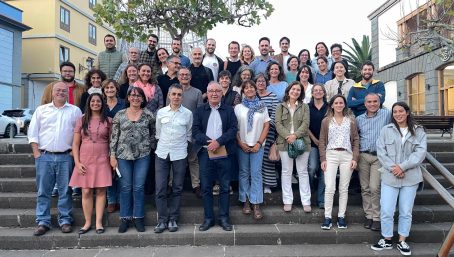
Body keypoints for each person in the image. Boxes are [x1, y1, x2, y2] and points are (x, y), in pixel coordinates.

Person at [371, 102, 426, 256]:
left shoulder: (418, 131)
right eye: (395, 112)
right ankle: (387, 239)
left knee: (405, 211)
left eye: (401, 111)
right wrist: (394, 168)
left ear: (407, 112)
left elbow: (420, 153)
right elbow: (381, 152)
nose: (398, 114)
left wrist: (402, 167)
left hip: (410, 177)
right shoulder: (386, 130)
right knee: (387, 209)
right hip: (390, 176)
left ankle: (402, 240)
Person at [28, 82, 83, 236]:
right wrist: (36, 153)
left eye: (64, 91)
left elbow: (78, 134)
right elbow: (33, 133)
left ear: (68, 93)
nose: (61, 93)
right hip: (44, 156)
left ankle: (65, 220)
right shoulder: (41, 110)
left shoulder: (75, 111)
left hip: (66, 156)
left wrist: (73, 152)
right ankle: (42, 221)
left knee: (66, 191)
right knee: (43, 191)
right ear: (52, 92)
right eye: (58, 90)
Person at [110, 86, 156, 233]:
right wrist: (112, 155)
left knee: (138, 187)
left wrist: (150, 147)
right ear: (128, 97)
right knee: (125, 187)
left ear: (143, 99)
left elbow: (154, 134)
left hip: (143, 156)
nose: (135, 98)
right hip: (123, 156)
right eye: (133, 95)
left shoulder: (148, 115)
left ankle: (138, 217)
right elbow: (114, 137)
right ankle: (125, 217)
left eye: (138, 96)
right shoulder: (120, 115)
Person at [193, 82, 238, 232]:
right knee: (206, 187)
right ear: (207, 93)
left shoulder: (229, 110)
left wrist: (218, 142)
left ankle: (224, 218)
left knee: (225, 187)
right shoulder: (200, 111)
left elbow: (233, 129)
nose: (214, 94)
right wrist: (209, 143)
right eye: (211, 91)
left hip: (224, 152)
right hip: (206, 153)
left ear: (221, 94)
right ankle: (208, 219)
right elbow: (195, 131)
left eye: (217, 91)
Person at [69, 93, 112, 234]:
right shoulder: (81, 120)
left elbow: (112, 142)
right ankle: (87, 222)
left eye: (98, 101)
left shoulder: (109, 121)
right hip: (85, 160)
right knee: (86, 191)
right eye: (92, 101)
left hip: (102, 158)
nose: (95, 103)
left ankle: (99, 222)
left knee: (101, 190)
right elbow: (75, 144)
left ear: (102, 103)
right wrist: (77, 162)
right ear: (88, 103)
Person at [154, 84, 193, 233]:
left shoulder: (188, 114)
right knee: (160, 188)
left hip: (180, 154)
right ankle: (162, 220)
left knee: (177, 188)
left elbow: (189, 134)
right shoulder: (161, 112)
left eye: (179, 94)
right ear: (169, 95)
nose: (176, 97)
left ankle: (173, 219)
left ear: (182, 97)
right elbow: (158, 133)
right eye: (174, 94)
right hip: (162, 153)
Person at [319, 94, 359, 230]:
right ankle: (327, 217)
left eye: (341, 103)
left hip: (347, 155)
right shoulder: (326, 121)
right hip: (331, 154)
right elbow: (322, 141)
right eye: (336, 103)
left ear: (344, 105)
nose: (339, 105)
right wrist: (323, 159)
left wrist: (355, 158)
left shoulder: (351, 120)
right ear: (332, 105)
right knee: (330, 187)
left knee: (343, 188)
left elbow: (356, 140)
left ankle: (341, 216)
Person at [235, 80, 270, 220]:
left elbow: (266, 125)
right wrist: (240, 143)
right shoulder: (238, 107)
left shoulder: (262, 106)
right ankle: (246, 201)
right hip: (242, 144)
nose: (249, 89)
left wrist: (259, 143)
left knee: (256, 173)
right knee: (244, 173)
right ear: (243, 91)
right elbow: (234, 128)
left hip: (257, 145)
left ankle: (256, 203)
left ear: (256, 89)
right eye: (246, 88)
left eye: (251, 87)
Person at [275, 81, 312, 213]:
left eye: (298, 90)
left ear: (301, 93)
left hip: (301, 142)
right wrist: (288, 136)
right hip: (285, 143)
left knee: (302, 172)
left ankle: (306, 201)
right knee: (286, 172)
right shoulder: (280, 106)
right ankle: (287, 200)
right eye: (293, 89)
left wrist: (295, 136)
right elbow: (278, 124)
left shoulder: (305, 107)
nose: (295, 92)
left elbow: (306, 123)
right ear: (288, 90)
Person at [356, 93, 391, 231]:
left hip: (379, 156)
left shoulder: (386, 114)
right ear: (365, 104)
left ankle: (377, 217)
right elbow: (355, 136)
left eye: (375, 101)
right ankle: (368, 215)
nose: (372, 104)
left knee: (374, 187)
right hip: (363, 155)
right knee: (364, 188)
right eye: (369, 102)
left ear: (379, 101)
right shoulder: (359, 119)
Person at [176, 68, 204, 197]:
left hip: (191, 131)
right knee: (176, 160)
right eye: (182, 74)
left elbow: (199, 113)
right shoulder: (173, 91)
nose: (184, 76)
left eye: (187, 74)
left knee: (193, 159)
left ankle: (196, 185)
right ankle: (173, 184)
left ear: (190, 77)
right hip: (176, 132)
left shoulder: (197, 92)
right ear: (178, 76)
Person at [102, 79, 125, 213]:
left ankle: (121, 200)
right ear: (103, 90)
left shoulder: (123, 103)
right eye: (107, 88)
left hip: (121, 141)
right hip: (104, 141)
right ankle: (111, 200)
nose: (109, 90)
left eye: (112, 87)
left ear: (116, 89)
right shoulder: (101, 104)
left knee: (120, 172)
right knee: (108, 172)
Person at [255, 73, 279, 193]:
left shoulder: (273, 96)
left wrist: (268, 125)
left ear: (266, 83)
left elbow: (275, 114)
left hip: (268, 131)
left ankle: (267, 185)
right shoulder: (252, 97)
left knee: (266, 159)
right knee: (256, 159)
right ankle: (257, 183)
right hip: (254, 133)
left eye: (263, 81)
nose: (261, 83)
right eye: (258, 81)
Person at [307, 84, 329, 209]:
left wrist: (323, 141)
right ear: (312, 93)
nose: (318, 92)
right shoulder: (307, 107)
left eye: (320, 90)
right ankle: (309, 193)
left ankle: (321, 199)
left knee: (324, 172)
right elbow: (305, 125)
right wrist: (314, 139)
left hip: (327, 144)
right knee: (312, 168)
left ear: (324, 93)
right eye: (316, 90)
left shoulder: (329, 107)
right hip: (313, 143)